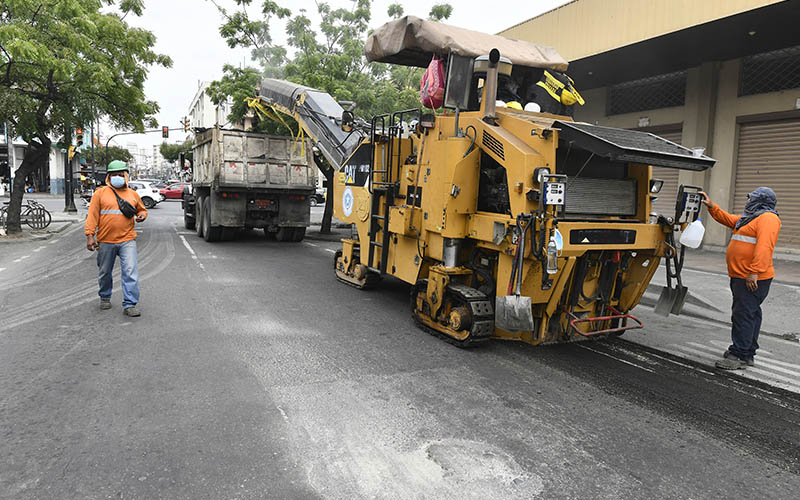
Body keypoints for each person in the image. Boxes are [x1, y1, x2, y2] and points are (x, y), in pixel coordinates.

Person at [700, 187, 781, 370]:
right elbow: (728, 219)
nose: (747, 201)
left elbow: (764, 247)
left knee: (743, 314)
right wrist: (712, 206)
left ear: (761, 200)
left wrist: (754, 272)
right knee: (750, 313)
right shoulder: (750, 218)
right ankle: (748, 352)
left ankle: (738, 355)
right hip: (742, 275)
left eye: (751, 198)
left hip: (751, 277)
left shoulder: (768, 218)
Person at [84, 160, 147, 317]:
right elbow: (92, 216)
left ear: (125, 176)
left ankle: (130, 304)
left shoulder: (132, 194)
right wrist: (90, 236)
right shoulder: (100, 194)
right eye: (114, 175)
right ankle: (105, 296)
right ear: (108, 177)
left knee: (130, 271)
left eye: (121, 174)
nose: (118, 177)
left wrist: (142, 216)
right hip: (105, 241)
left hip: (127, 240)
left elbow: (142, 209)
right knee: (105, 272)